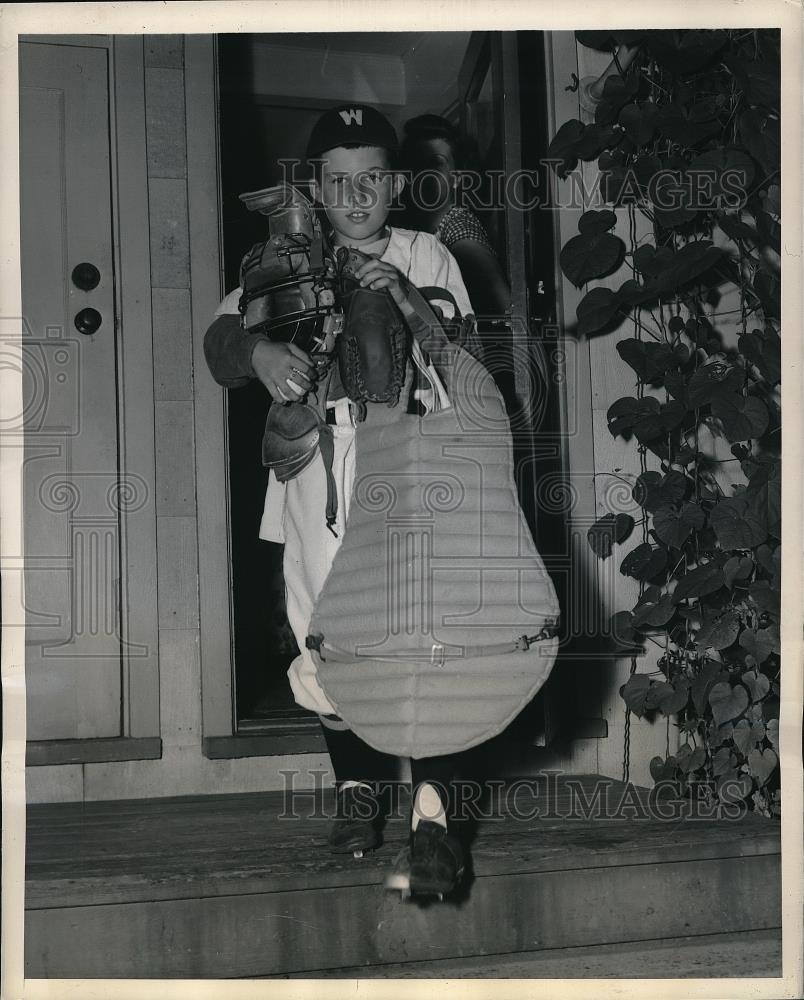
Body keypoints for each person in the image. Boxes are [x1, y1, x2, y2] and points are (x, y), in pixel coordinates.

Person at [204, 103, 560, 901]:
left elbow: (468, 359)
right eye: (339, 181)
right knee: (325, 626)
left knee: (429, 624)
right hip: (318, 466)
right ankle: (358, 790)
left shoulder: (426, 251)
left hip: (416, 465)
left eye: (372, 180)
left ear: (395, 184)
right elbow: (219, 341)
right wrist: (258, 349)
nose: (356, 197)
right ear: (316, 186)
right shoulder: (285, 256)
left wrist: (404, 292)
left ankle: (432, 815)